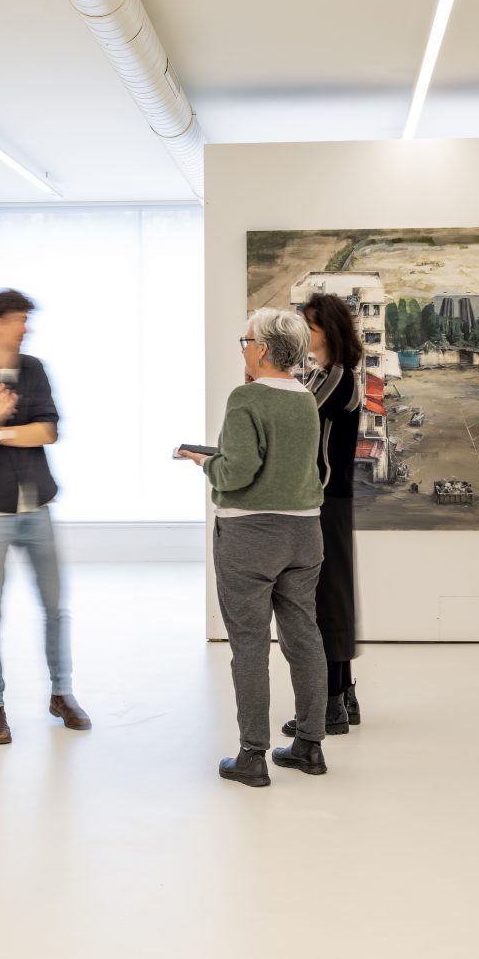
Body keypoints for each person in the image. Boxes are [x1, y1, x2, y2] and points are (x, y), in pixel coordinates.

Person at [179, 308, 328, 786]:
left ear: (262, 348)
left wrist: (205, 463)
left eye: (246, 341)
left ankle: (252, 755)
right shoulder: (306, 398)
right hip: (304, 533)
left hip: (250, 535)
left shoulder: (245, 399)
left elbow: (237, 473)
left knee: (249, 644)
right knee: (304, 637)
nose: (243, 348)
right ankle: (309, 746)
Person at [0, 289, 89, 744]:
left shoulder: (35, 370)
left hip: (38, 507)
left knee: (55, 607)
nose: (24, 328)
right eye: (16, 319)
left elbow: (48, 431)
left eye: (26, 319)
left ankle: (61, 694)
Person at [279, 292, 364, 738]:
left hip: (327, 499)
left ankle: (330, 705)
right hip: (330, 498)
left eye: (308, 327)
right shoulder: (326, 375)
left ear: (327, 331)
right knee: (333, 595)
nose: (302, 334)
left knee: (325, 599)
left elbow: (299, 420)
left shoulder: (336, 378)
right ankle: (342, 696)